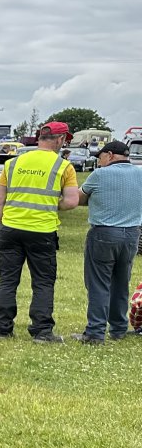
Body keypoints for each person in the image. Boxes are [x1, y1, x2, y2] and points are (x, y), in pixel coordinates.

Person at [0, 121, 83, 342]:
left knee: (7, 280)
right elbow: (72, 201)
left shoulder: (12, 163)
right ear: (60, 139)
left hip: (11, 228)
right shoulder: (64, 166)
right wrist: (50, 205)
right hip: (42, 230)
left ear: (40, 138)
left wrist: (4, 224)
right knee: (43, 281)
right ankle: (42, 331)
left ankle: (3, 329)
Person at [70, 140, 142, 343]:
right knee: (121, 282)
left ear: (109, 155)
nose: (99, 162)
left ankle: (95, 331)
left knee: (99, 283)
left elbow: (79, 198)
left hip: (103, 233)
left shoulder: (99, 175)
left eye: (100, 157)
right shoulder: (140, 173)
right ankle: (118, 328)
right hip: (132, 234)